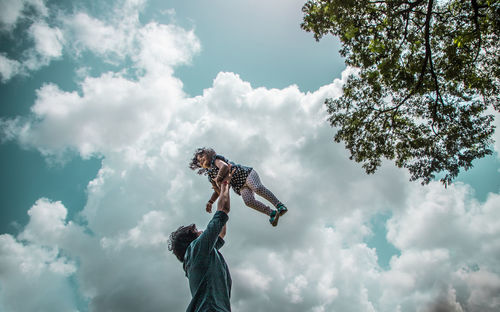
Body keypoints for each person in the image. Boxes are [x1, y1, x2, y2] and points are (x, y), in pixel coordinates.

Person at [168, 168, 235, 312]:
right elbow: (222, 211)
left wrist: (221, 190)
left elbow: (221, 232)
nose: (201, 231)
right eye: (197, 231)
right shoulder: (197, 249)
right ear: (192, 240)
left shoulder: (202, 254)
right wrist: (225, 184)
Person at [189, 147, 287, 227]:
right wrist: (211, 201)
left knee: (257, 188)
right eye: (199, 161)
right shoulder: (211, 176)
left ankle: (279, 205)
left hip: (245, 174)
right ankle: (272, 213)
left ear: (208, 154)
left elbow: (224, 167)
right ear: (201, 167)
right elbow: (218, 191)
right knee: (248, 201)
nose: (201, 159)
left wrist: (218, 178)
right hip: (239, 185)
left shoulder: (215, 160)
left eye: (202, 156)